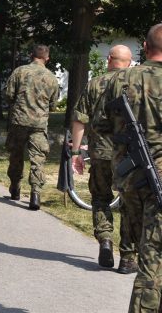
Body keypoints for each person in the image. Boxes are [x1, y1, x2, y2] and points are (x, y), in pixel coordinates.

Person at [93, 24, 162, 312]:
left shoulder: (116, 80)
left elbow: (101, 125)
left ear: (144, 48)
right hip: (157, 182)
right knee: (153, 257)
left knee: (149, 252)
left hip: (132, 182)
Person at [71, 45, 136, 272]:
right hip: (129, 154)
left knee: (100, 197)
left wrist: (76, 152)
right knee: (129, 202)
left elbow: (80, 119)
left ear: (109, 59)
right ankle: (128, 256)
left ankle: (106, 239)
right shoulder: (135, 84)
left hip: (100, 152)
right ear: (130, 62)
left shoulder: (94, 84)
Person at [4, 44, 60, 210]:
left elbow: (8, 95)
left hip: (19, 121)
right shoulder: (51, 77)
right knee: (37, 159)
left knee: (16, 154)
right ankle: (35, 194)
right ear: (47, 58)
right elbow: (53, 105)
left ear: (31, 55)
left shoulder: (19, 72)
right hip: (39, 124)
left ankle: (15, 188)